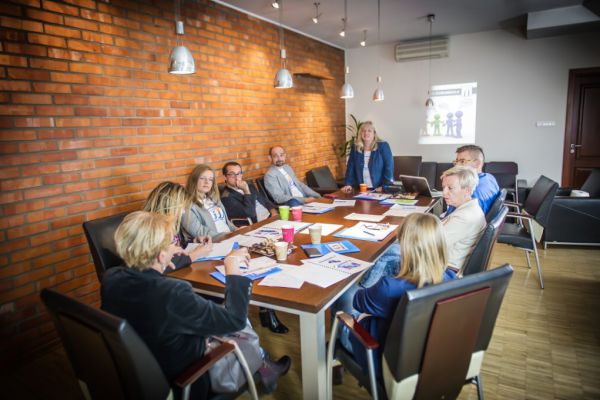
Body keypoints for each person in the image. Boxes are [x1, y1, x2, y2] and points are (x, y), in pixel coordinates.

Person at [102, 211, 291, 398]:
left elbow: (148, 285)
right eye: (172, 243)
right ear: (160, 255)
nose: (176, 247)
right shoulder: (173, 293)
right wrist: (232, 267)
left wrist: (164, 262)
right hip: (189, 380)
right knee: (238, 321)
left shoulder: (111, 278)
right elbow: (235, 320)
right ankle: (262, 363)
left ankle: (264, 365)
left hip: (139, 375)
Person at [340, 213, 457, 378]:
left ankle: (335, 358)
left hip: (379, 355)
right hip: (430, 358)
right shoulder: (452, 279)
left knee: (344, 294)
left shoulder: (388, 288)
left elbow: (357, 301)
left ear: (404, 246)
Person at [220, 161, 288, 334]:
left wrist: (273, 212)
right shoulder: (227, 196)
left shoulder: (249, 185)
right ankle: (267, 310)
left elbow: (264, 201)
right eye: (232, 174)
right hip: (256, 230)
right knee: (270, 260)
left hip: (270, 223)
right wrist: (247, 192)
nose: (237, 178)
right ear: (225, 177)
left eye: (239, 173)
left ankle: (274, 302)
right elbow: (250, 213)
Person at [142, 181, 213, 269]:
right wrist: (194, 255)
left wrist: (193, 241)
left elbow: (177, 247)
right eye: (181, 207)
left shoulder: (171, 222)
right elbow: (157, 266)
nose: (183, 212)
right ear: (169, 205)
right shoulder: (150, 230)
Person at [440, 166, 487, 272]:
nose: (444, 193)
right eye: (443, 187)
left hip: (444, 269)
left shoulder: (463, 218)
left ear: (468, 191)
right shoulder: (471, 208)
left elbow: (430, 245)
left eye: (450, 188)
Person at [182, 164, 236, 241]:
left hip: (229, 237)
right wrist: (227, 236)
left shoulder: (213, 198)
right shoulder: (186, 205)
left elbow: (225, 222)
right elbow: (199, 232)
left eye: (210, 179)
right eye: (202, 178)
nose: (207, 182)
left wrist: (237, 230)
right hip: (216, 241)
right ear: (194, 180)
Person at [341, 121, 394, 193]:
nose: (366, 133)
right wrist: (348, 184)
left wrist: (385, 186)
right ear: (360, 134)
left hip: (378, 189)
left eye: (369, 131)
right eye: (363, 131)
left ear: (374, 133)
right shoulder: (355, 148)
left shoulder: (383, 146)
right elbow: (350, 167)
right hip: (360, 189)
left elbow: (389, 167)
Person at [450, 144, 500, 214]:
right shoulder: (490, 177)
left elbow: (451, 218)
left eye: (462, 161)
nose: (457, 166)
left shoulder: (468, 194)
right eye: (456, 162)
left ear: (477, 164)